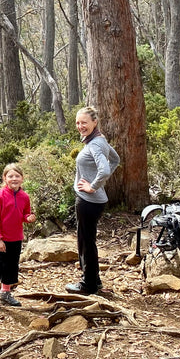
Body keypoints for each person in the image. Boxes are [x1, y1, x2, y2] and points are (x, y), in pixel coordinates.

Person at [66, 105, 121, 295]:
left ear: (95, 122)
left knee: (85, 242)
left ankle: (88, 284)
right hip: (94, 201)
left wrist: (92, 186)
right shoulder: (98, 140)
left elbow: (105, 169)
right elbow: (116, 160)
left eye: (84, 122)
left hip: (88, 200)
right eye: (78, 123)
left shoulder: (96, 144)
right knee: (88, 240)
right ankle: (94, 280)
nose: (80, 126)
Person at [0, 163, 35, 311]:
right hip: (1, 239)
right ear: (5, 178)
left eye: (17, 176)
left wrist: (29, 218)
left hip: (16, 238)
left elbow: (25, 213)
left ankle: (5, 293)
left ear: (22, 178)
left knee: (11, 266)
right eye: (10, 176)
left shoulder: (24, 196)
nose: (14, 179)